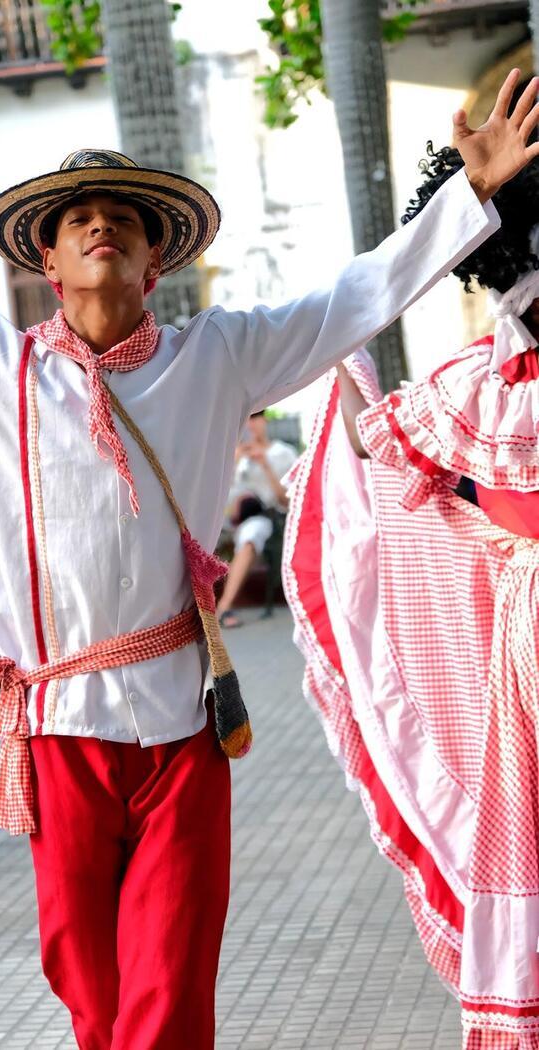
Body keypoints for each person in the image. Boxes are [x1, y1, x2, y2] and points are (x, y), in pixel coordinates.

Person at [0, 70, 535, 1048]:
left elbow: (355, 296)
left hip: (183, 728)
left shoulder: (221, 354)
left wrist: (470, 197)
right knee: (90, 989)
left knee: (167, 992)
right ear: (45, 251)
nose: (99, 227)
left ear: (154, 252)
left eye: (121, 214)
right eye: (77, 215)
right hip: (56, 728)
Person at [283, 145, 539, 1049]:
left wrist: (338, 363)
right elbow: (376, 445)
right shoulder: (485, 384)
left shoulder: (482, 385)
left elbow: (372, 442)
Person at [217, 410, 297, 627]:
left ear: (265, 420)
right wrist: (232, 462)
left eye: (256, 416)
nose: (251, 423)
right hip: (227, 517)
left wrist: (265, 465)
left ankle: (224, 608)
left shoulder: (283, 453)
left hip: (265, 516)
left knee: (252, 534)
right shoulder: (234, 454)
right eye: (248, 418)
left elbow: (287, 501)